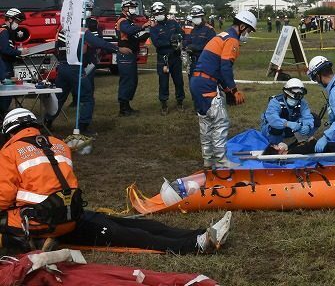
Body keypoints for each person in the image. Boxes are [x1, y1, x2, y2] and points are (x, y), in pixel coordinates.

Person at [0, 108, 231, 254]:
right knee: (127, 224)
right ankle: (198, 232)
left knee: (126, 236)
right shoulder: (58, 144)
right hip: (72, 212)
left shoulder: (9, 152)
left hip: (43, 224)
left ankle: (195, 244)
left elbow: (3, 198)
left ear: (9, 132)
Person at [189, 10, 255, 169]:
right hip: (207, 84)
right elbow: (225, 67)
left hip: (197, 81)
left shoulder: (221, 36)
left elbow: (217, 68)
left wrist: (226, 89)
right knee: (220, 122)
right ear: (242, 26)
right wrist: (234, 90)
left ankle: (208, 159)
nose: (248, 34)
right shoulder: (232, 40)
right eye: (248, 30)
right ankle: (220, 161)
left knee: (205, 122)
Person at [46, 1, 121, 135]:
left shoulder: (63, 28)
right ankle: (83, 127)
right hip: (76, 67)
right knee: (87, 98)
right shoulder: (83, 30)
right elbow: (100, 43)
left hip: (62, 67)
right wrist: (117, 49)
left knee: (59, 98)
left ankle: (47, 122)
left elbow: (56, 48)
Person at [115, 0, 151, 116]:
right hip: (125, 55)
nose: (133, 9)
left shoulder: (129, 20)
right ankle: (123, 108)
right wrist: (143, 26)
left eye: (134, 7)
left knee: (132, 80)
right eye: (131, 7)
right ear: (125, 7)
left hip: (130, 55)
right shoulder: (123, 21)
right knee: (127, 80)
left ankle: (126, 105)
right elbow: (129, 31)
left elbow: (134, 35)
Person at [260, 78, 317, 151]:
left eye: (297, 99)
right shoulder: (275, 102)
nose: (295, 101)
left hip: (292, 127)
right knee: (275, 128)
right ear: (286, 94)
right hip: (272, 129)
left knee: (316, 119)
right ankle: (276, 146)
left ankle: (300, 142)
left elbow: (307, 116)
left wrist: (308, 126)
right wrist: (287, 123)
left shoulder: (302, 102)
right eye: (292, 98)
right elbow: (272, 119)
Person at [149, 2, 185, 114]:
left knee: (179, 81)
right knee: (163, 82)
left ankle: (180, 102)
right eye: (155, 13)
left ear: (165, 12)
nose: (158, 14)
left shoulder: (173, 23)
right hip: (163, 59)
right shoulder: (154, 28)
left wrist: (178, 37)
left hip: (175, 57)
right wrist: (171, 41)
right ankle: (164, 104)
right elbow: (157, 43)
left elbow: (182, 34)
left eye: (160, 12)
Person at [0, 8, 26, 119]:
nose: (18, 24)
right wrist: (20, 52)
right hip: (4, 66)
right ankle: (2, 116)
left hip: (7, 64)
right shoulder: (4, 31)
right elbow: (5, 50)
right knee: (6, 94)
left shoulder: (8, 32)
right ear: (10, 19)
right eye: (17, 21)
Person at [183, 5, 216, 78]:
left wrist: (196, 47)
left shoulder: (209, 30)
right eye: (193, 17)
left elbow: (212, 47)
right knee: (192, 84)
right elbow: (188, 41)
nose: (195, 19)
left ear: (202, 17)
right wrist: (185, 44)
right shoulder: (193, 30)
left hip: (205, 62)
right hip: (193, 62)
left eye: (197, 17)